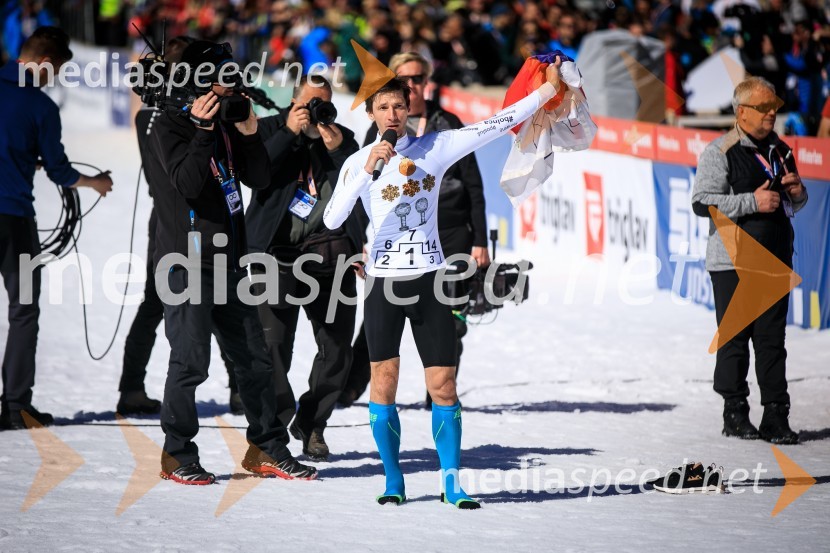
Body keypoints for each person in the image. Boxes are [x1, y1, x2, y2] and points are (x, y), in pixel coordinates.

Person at [323, 59, 565, 507]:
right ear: (372, 113)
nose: (394, 113)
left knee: (443, 386)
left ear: (411, 105)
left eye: (400, 104)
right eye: (384, 107)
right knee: (385, 381)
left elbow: (498, 122)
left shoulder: (437, 146)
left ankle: (451, 481)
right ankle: (393, 479)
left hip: (429, 281)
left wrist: (546, 92)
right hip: (383, 286)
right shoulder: (361, 161)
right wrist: (365, 168)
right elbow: (333, 217)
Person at [152, 39, 316, 483]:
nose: (234, 87)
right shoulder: (169, 125)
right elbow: (187, 183)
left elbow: (259, 178)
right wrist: (205, 131)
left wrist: (246, 135)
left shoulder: (228, 123)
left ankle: (266, 447)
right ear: (202, 83)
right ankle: (177, 453)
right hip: (186, 264)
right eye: (226, 80)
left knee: (257, 362)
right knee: (191, 363)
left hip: (231, 262)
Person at [340, 51, 489, 408]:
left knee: (452, 319)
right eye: (403, 78)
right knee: (378, 328)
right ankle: (353, 388)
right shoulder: (377, 134)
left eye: (417, 78)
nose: (412, 85)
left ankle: (436, 394)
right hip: (394, 241)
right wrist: (363, 242)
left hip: (450, 233)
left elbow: (474, 186)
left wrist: (481, 239)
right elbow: (363, 195)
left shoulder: (446, 121)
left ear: (425, 83)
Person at [117, 36, 242, 417]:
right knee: (164, 304)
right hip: (174, 220)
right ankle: (133, 388)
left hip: (192, 219)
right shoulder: (160, 116)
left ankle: (133, 386)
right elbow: (182, 174)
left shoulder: (176, 110)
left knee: (199, 304)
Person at [0, 26, 113, 431]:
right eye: (57, 72)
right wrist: (96, 183)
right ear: (44, 64)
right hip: (13, 218)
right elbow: (61, 171)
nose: (55, 80)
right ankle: (15, 407)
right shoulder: (41, 106)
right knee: (24, 311)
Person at [245, 74, 362, 460]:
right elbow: (255, 175)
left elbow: (360, 190)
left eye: (323, 103)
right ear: (293, 102)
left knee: (337, 350)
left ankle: (313, 423)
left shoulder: (342, 139)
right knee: (273, 348)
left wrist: (336, 152)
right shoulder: (266, 130)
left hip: (333, 258)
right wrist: (287, 134)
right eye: (309, 103)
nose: (316, 111)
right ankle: (276, 428)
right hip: (276, 256)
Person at [692, 76, 807, 445]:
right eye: (763, 108)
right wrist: (750, 203)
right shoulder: (720, 150)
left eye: (774, 107)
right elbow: (702, 201)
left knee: (773, 340)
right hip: (732, 259)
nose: (771, 113)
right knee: (736, 339)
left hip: (774, 258)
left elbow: (796, 204)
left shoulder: (781, 149)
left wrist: (797, 193)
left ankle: (776, 414)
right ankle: (735, 412)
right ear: (741, 112)